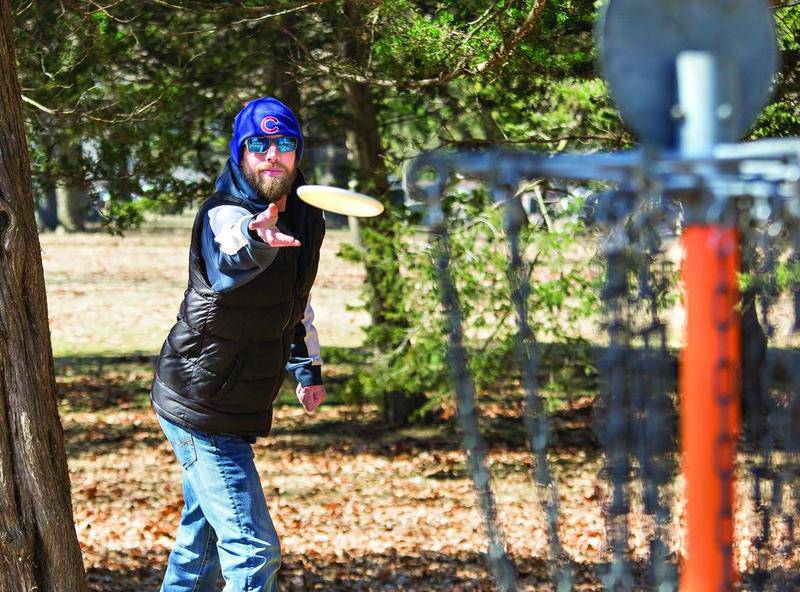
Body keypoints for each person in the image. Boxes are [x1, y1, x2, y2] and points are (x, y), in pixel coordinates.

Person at [150, 96, 326, 592]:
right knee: (253, 554)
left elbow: (296, 301)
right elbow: (231, 257)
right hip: (199, 403)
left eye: (285, 143)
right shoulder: (222, 213)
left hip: (238, 400)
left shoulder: (307, 219)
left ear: (298, 152)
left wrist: (307, 368)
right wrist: (258, 238)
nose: (273, 154)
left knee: (199, 549)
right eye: (259, 144)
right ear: (239, 152)